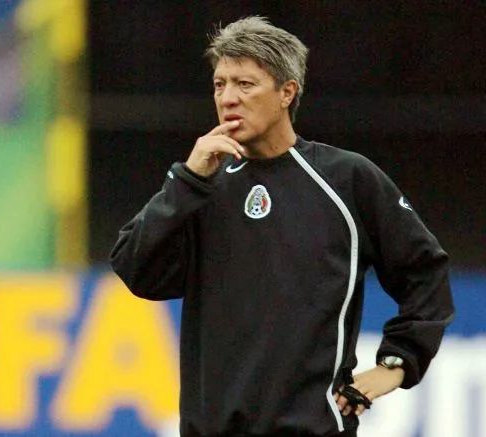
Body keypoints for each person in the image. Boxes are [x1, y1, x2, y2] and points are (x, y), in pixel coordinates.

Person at [109, 16, 454, 437]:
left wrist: (396, 364)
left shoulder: (347, 179)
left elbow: (426, 272)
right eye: (220, 84)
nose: (228, 98)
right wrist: (186, 180)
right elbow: (136, 271)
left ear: (287, 92)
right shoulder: (201, 186)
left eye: (245, 84)